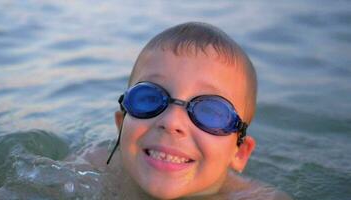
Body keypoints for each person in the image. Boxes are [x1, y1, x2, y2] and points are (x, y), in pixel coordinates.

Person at [83, 22, 291, 199]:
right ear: (121, 125)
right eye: (150, 98)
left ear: (240, 153)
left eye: (210, 112)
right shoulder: (90, 168)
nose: (172, 122)